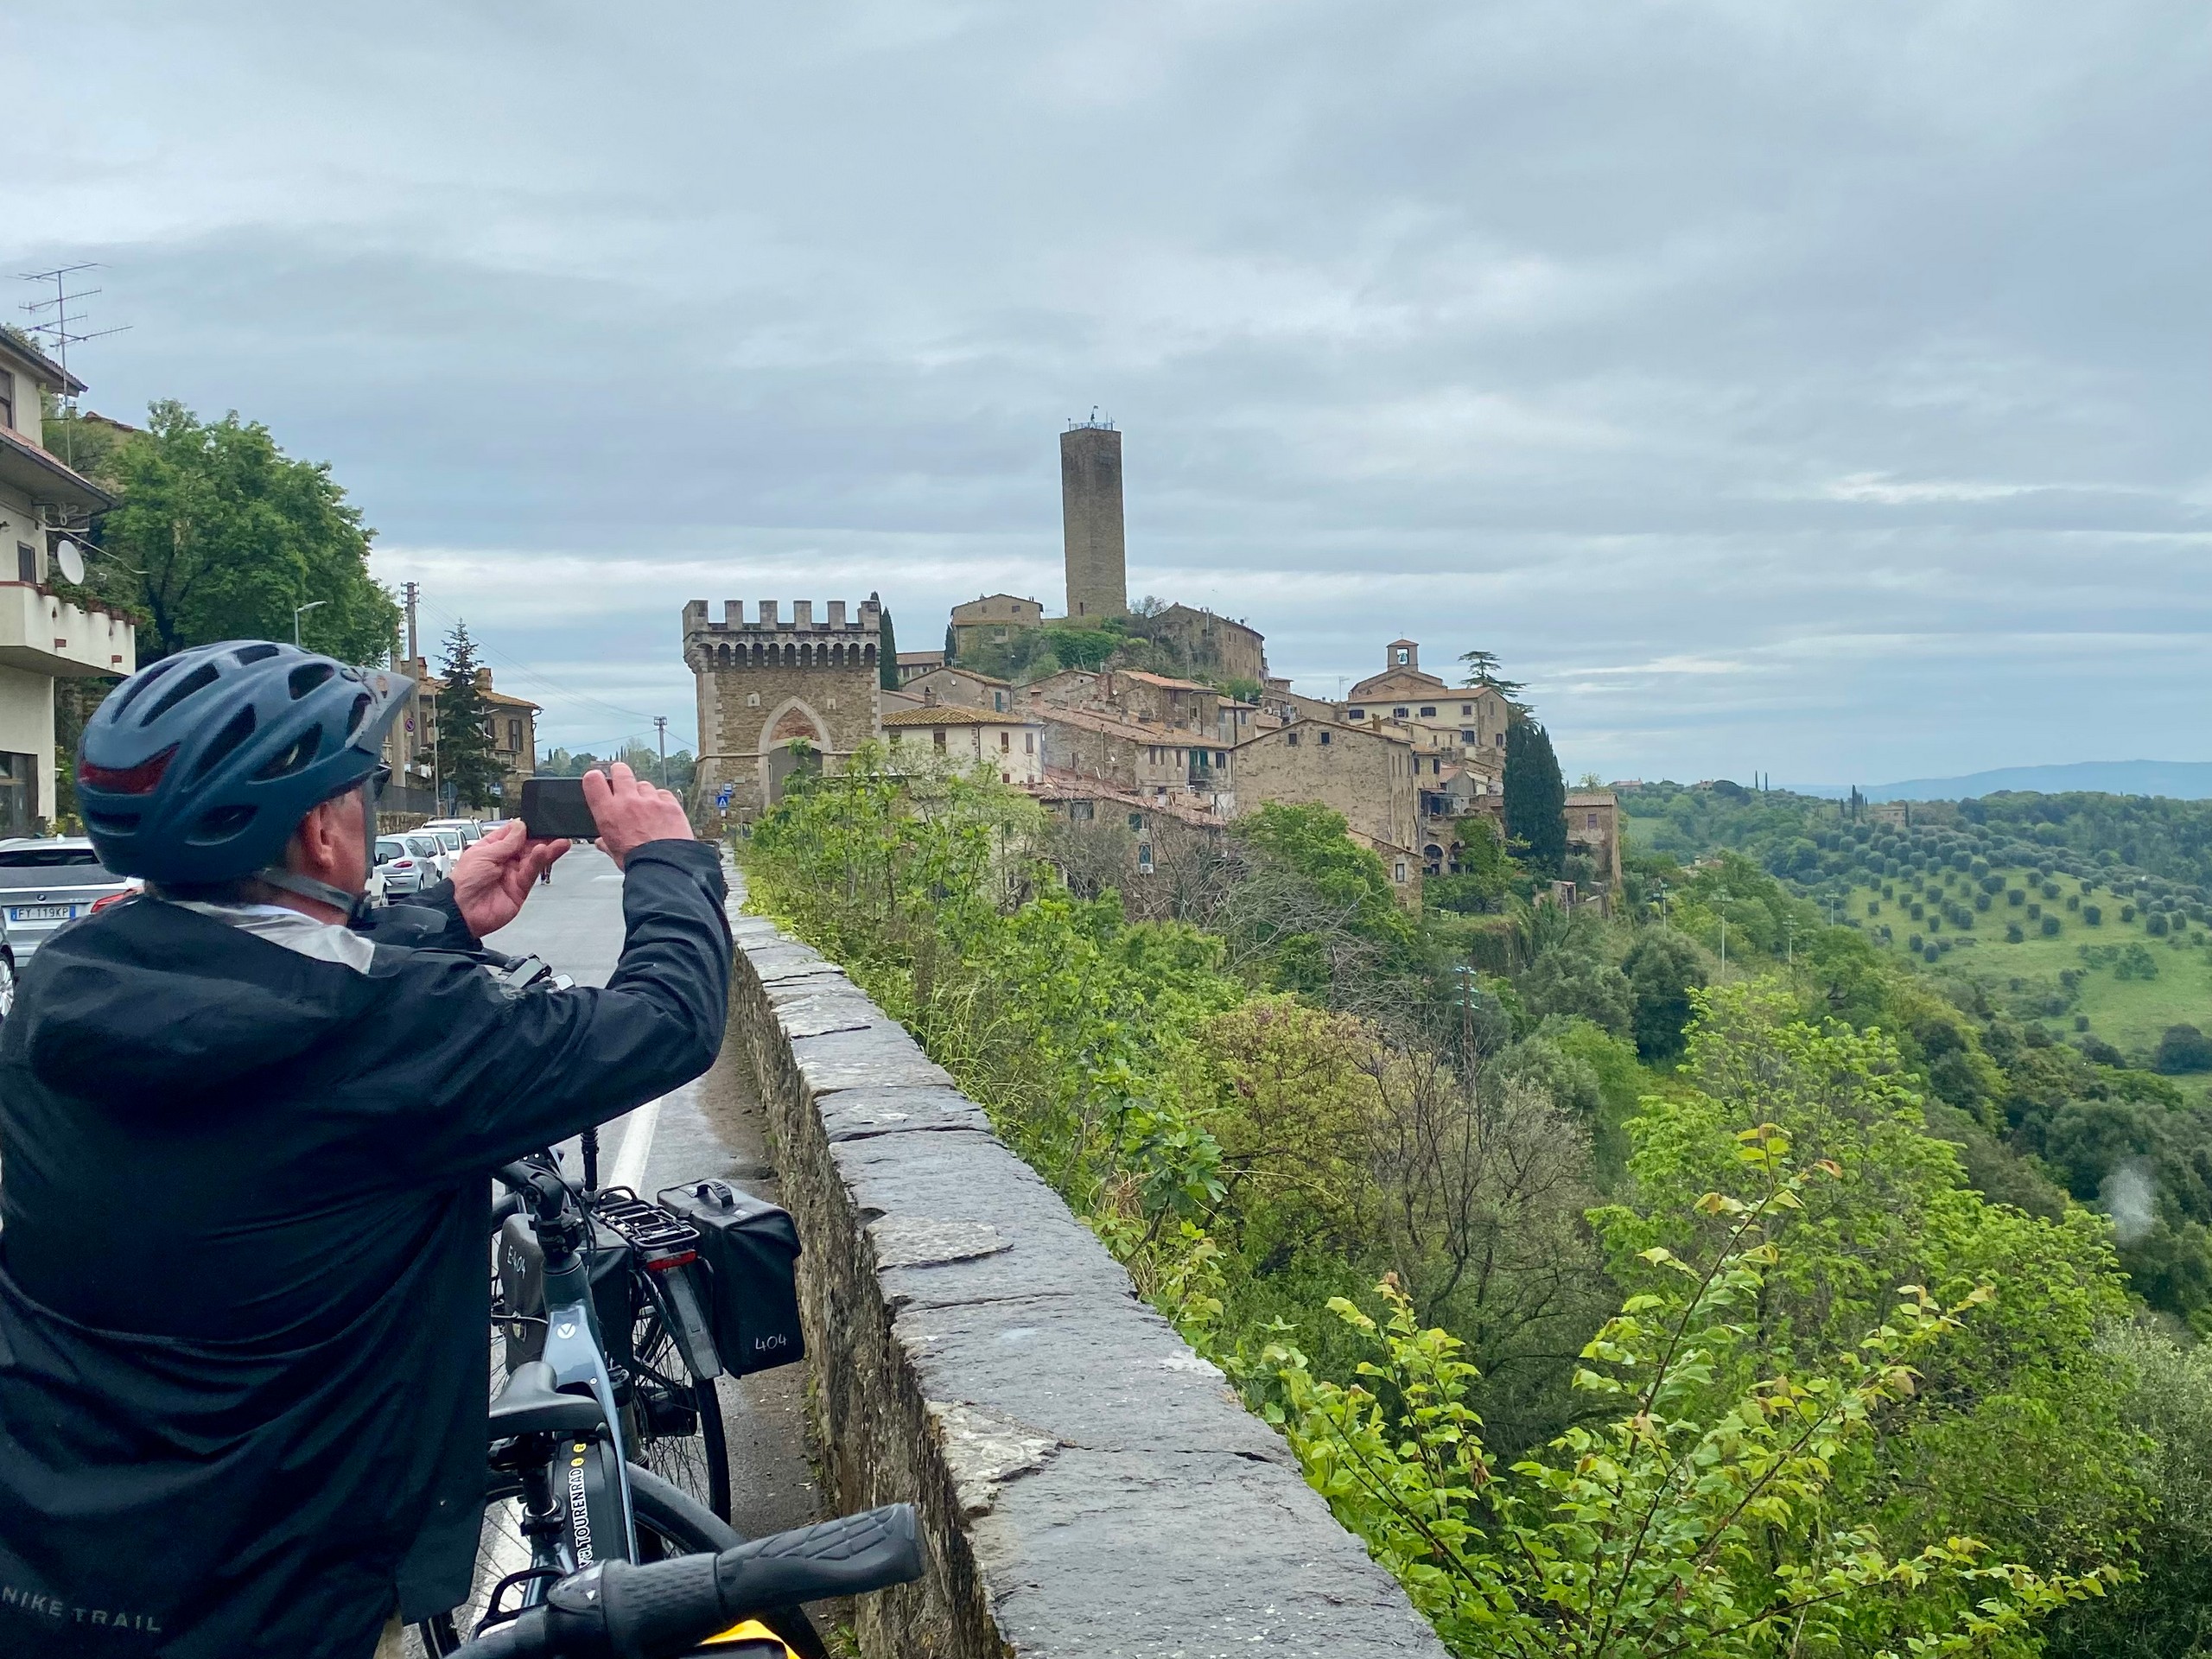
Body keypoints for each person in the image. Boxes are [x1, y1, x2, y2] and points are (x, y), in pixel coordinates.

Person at [0, 640, 732, 1658]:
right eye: (363, 788)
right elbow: (666, 1023)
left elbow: (266, 995)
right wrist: (669, 861)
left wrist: (432, 916)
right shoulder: (394, 1030)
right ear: (321, 829)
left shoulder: (62, 989)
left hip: (55, 1565)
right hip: (286, 1586)